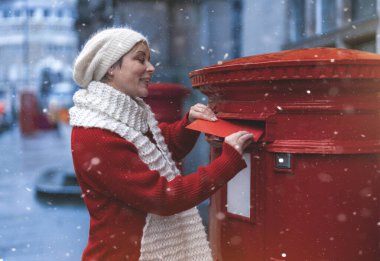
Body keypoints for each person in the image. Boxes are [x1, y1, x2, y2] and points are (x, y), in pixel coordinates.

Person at [69, 27, 253, 261]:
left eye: (149, 59)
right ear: (110, 69)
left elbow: (159, 146)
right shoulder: (95, 133)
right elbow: (163, 197)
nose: (150, 67)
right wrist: (227, 162)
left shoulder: (126, 114)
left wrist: (189, 124)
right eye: (140, 59)